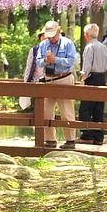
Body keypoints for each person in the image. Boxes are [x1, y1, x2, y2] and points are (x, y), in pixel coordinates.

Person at [30, 19, 77, 148]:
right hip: (48, 79)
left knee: (66, 111)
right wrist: (46, 60)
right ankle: (50, 139)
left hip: (64, 78)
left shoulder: (68, 44)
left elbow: (71, 61)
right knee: (46, 111)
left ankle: (70, 140)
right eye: (48, 36)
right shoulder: (44, 44)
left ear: (58, 31)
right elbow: (38, 61)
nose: (51, 39)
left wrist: (55, 59)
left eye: (53, 36)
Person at [77, 22, 107, 144]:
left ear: (86, 35)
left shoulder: (89, 47)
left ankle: (87, 135)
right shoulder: (103, 46)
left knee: (85, 108)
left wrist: (83, 78)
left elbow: (87, 66)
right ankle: (98, 137)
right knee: (98, 108)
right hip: (101, 78)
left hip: (91, 78)